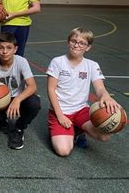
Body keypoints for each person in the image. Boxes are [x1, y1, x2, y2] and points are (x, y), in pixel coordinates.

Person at [46, 27, 121, 157]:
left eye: (82, 43)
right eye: (73, 41)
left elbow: (100, 88)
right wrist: (60, 116)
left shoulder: (92, 65)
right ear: (68, 42)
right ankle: (72, 130)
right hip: (60, 111)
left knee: (104, 137)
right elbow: (51, 89)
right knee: (63, 151)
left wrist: (106, 97)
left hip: (81, 110)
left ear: (88, 47)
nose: (76, 45)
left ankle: (78, 129)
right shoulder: (57, 62)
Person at [0, 32, 40, 150]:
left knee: (34, 103)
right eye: (1, 48)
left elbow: (32, 87)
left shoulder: (21, 61)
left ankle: (19, 128)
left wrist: (17, 99)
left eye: (9, 48)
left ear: (15, 49)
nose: (4, 51)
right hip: (1, 101)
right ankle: (3, 121)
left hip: (18, 99)